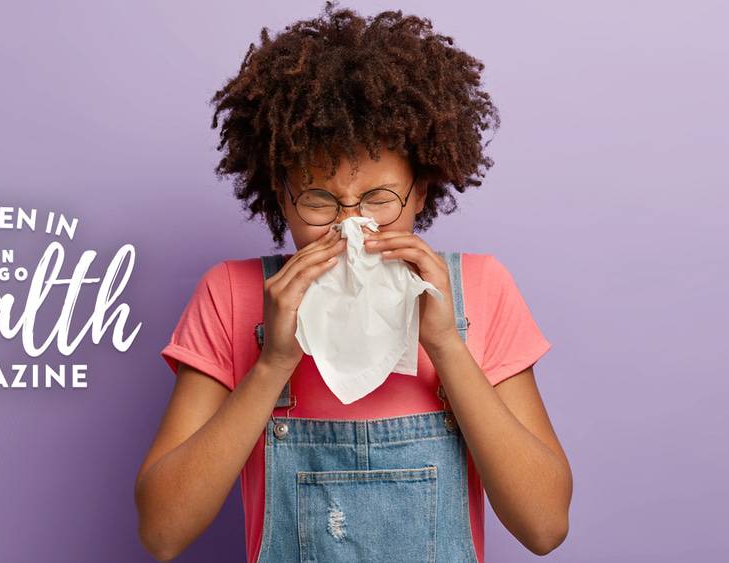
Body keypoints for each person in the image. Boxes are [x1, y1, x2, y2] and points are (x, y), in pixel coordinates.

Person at [135, 2, 572, 561]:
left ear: (420, 191)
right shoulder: (231, 294)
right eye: (319, 200)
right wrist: (272, 363)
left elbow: (545, 526)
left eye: (378, 199)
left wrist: (444, 344)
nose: (349, 227)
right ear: (281, 199)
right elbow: (162, 532)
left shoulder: (481, 289)